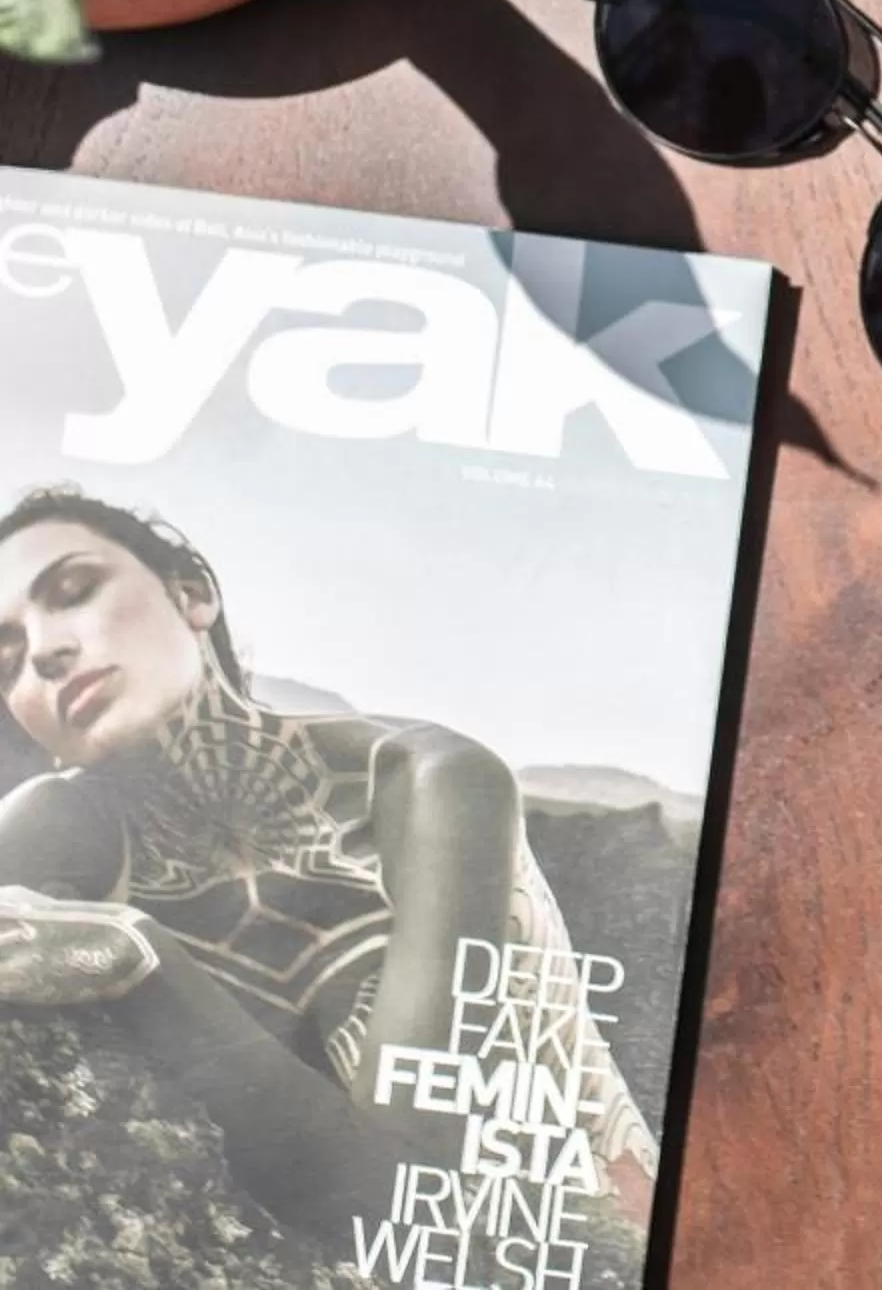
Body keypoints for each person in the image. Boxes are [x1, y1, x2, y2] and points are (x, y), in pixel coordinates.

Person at [0, 487, 656, 1250]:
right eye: (8, 659)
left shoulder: (429, 783)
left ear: (194, 594)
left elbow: (403, 1205)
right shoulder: (50, 831)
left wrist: (136, 959)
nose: (45, 651)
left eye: (75, 593)